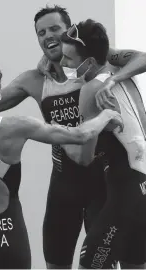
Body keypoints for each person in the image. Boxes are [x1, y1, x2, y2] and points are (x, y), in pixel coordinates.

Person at [0, 6, 146, 268]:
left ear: (68, 32)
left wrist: (112, 80)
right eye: (41, 32)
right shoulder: (33, 80)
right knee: (56, 263)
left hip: (104, 184)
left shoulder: (94, 64)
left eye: (55, 29)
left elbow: (141, 58)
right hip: (65, 186)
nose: (48, 36)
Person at [59, 19, 146, 269]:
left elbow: (84, 158)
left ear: (90, 62)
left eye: (69, 59)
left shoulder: (89, 91)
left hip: (126, 196)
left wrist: (62, 137)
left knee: (88, 265)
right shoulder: (125, 75)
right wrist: (110, 81)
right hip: (142, 191)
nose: (63, 63)